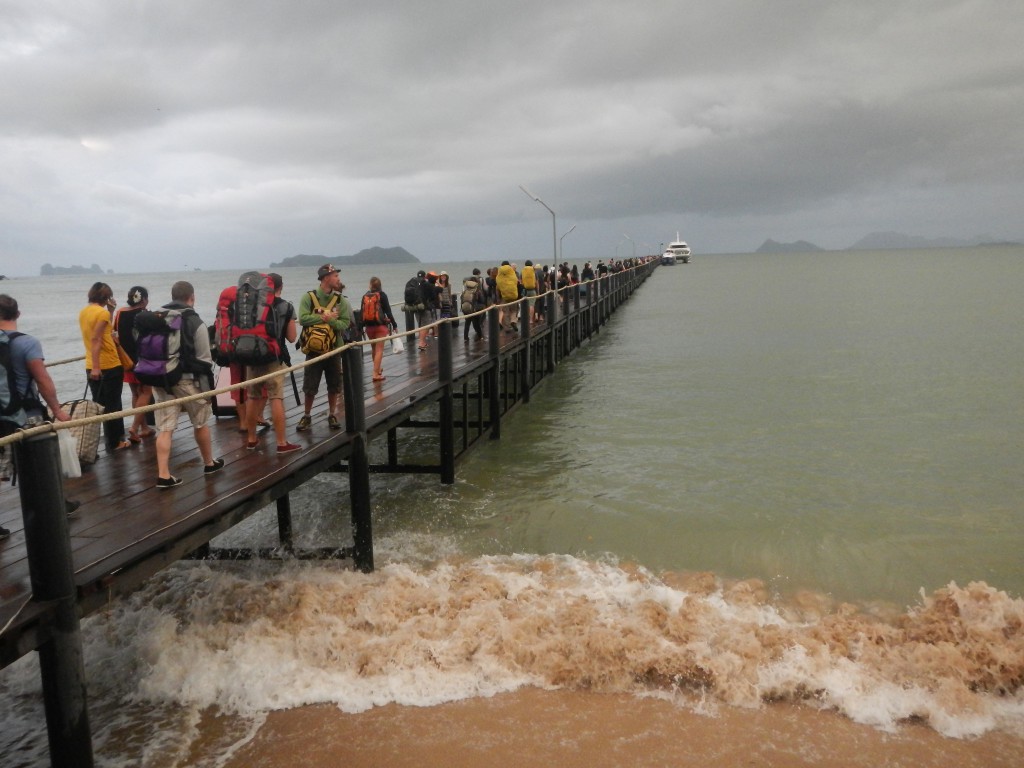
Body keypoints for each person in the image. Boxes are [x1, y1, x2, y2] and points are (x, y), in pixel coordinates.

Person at [0, 294, 79, 540]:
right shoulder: (28, 343)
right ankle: (54, 507)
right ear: (18, 314)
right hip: (27, 415)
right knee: (41, 463)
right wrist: (57, 410)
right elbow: (43, 380)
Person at [150, 281, 223, 488]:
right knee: (200, 422)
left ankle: (163, 474)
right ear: (192, 297)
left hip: (161, 378)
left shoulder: (158, 316)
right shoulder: (194, 320)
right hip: (187, 380)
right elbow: (205, 359)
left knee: (165, 428)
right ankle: (209, 463)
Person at [244, 273, 300, 453]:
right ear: (280, 286)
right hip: (274, 357)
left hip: (252, 357)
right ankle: (282, 443)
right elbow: (292, 338)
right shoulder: (286, 306)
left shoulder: (253, 305)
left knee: (252, 397)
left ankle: (251, 440)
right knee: (276, 397)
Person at [297, 264, 351, 431]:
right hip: (313, 349)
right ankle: (306, 415)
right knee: (310, 385)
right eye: (335, 276)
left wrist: (331, 321)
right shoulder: (308, 297)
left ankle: (332, 414)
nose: (338, 279)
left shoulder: (340, 300)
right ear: (326, 278)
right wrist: (324, 316)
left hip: (334, 348)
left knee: (334, 383)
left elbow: (345, 323)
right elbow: (303, 319)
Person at [79, 281, 130, 453]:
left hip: (91, 364)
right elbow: (96, 339)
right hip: (107, 364)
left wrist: (111, 311)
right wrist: (97, 367)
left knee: (101, 405)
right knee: (113, 405)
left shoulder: (85, 312)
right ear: (106, 297)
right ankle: (115, 442)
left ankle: (109, 440)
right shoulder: (101, 313)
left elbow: (99, 332)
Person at [113, 286, 155, 443]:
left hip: (126, 360)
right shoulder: (145, 315)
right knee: (146, 392)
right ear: (143, 299)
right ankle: (135, 427)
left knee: (135, 393)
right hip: (144, 360)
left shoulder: (120, 313)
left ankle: (144, 428)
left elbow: (114, 334)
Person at [361, 276, 398, 382]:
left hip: (369, 327)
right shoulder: (382, 295)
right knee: (379, 350)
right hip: (380, 327)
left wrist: (361, 327)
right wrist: (394, 325)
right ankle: (375, 373)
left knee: (374, 349)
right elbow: (388, 312)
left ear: (370, 285)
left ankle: (377, 369)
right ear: (380, 285)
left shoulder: (365, 296)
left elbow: (361, 313)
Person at [416, 271, 441, 351]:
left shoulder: (418, 284)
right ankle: (422, 343)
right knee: (427, 324)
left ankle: (422, 341)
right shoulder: (430, 286)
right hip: (427, 307)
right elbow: (437, 293)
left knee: (421, 326)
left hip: (416, 307)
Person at [461, 268, 486, 342]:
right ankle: (480, 336)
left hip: (467, 309)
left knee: (467, 323)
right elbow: (482, 300)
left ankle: (465, 338)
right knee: (477, 324)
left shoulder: (466, 291)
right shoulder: (477, 291)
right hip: (475, 309)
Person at [495, 260, 520, 332]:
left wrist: (498, 298)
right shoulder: (513, 273)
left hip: (504, 296)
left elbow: (498, 287)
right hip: (513, 295)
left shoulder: (499, 275)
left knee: (505, 312)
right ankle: (513, 321)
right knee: (514, 310)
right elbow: (516, 282)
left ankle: (507, 328)